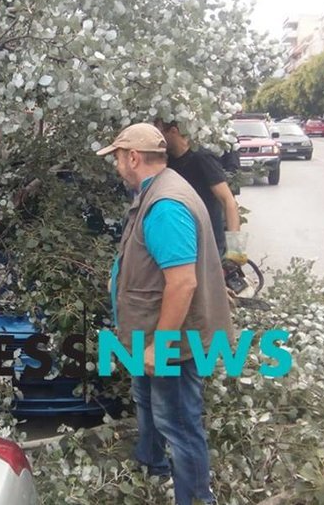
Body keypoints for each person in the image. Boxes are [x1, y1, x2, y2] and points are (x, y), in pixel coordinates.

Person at [97, 123, 233, 505]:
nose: (117, 166)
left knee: (179, 424)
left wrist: (161, 345)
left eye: (118, 158)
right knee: (147, 400)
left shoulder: (166, 206)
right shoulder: (158, 190)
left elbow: (182, 283)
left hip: (171, 340)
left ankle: (195, 499)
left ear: (134, 157)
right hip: (149, 332)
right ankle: (151, 462)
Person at [154, 118, 244, 261]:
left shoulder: (202, 158)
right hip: (181, 244)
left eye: (159, 133)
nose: (157, 139)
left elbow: (228, 201)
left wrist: (236, 251)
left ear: (173, 131)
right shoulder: (166, 163)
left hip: (209, 245)